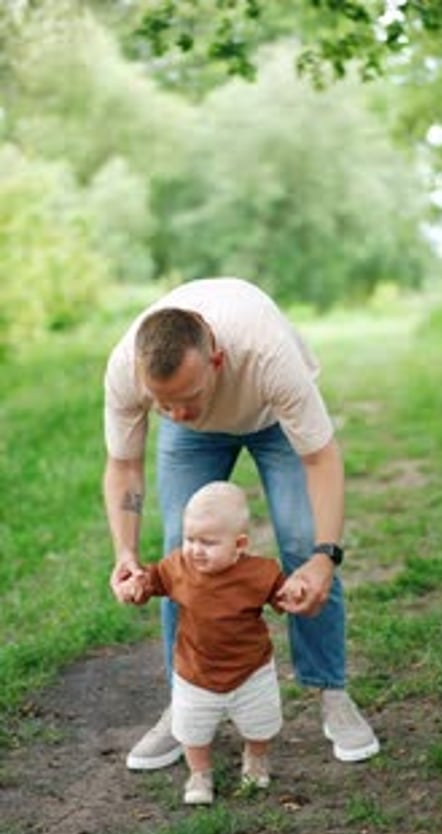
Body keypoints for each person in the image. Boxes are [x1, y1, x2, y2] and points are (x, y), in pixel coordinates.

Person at [103, 276, 380, 771]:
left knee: (303, 543)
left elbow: (321, 458)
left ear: (216, 360)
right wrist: (125, 554)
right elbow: (124, 466)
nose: (177, 413)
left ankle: (331, 692)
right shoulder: (128, 368)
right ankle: (183, 703)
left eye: (186, 396)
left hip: (272, 419)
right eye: (163, 403)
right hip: (195, 443)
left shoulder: (268, 355)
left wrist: (326, 555)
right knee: (181, 549)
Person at [118, 481, 293, 805]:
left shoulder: (261, 572)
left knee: (260, 723)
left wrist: (293, 594)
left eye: (208, 542)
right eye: (190, 539)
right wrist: (136, 586)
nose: (196, 549)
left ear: (239, 544)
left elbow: (282, 596)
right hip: (195, 670)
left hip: (251, 668)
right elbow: (152, 581)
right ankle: (199, 773)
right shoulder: (177, 567)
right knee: (191, 730)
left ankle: (256, 757)